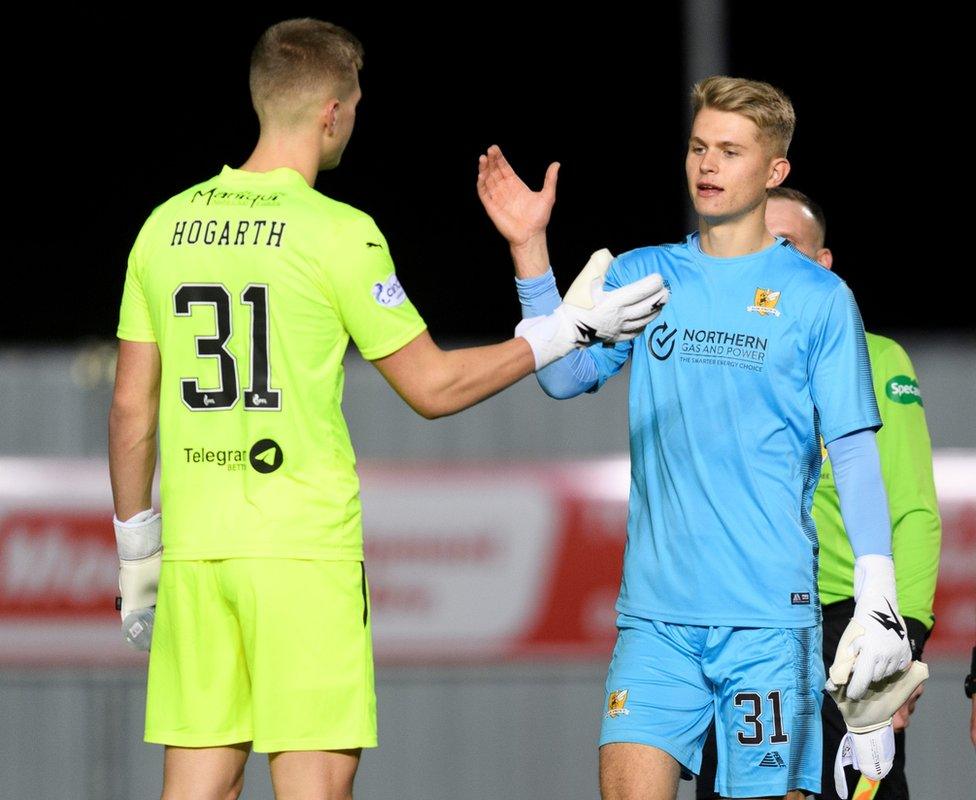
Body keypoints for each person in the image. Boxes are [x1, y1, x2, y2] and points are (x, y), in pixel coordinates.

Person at [108, 18, 666, 800]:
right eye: (358, 103)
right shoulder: (339, 233)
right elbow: (432, 389)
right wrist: (562, 333)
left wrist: (137, 550)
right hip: (302, 553)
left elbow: (132, 405)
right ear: (333, 112)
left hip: (198, 553)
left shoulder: (163, 228)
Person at [477, 77, 913, 800]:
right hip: (655, 621)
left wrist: (877, 594)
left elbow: (857, 451)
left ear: (774, 172)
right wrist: (530, 250)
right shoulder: (646, 272)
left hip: (770, 622)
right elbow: (562, 375)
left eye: (731, 151)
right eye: (698, 147)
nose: (707, 165)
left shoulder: (818, 298)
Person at [696, 187, 941, 800]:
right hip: (738, 623)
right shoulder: (715, 361)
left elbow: (911, 508)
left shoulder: (876, 359)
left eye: (787, 244)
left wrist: (902, 637)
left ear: (823, 263)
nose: (771, 260)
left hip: (846, 628)